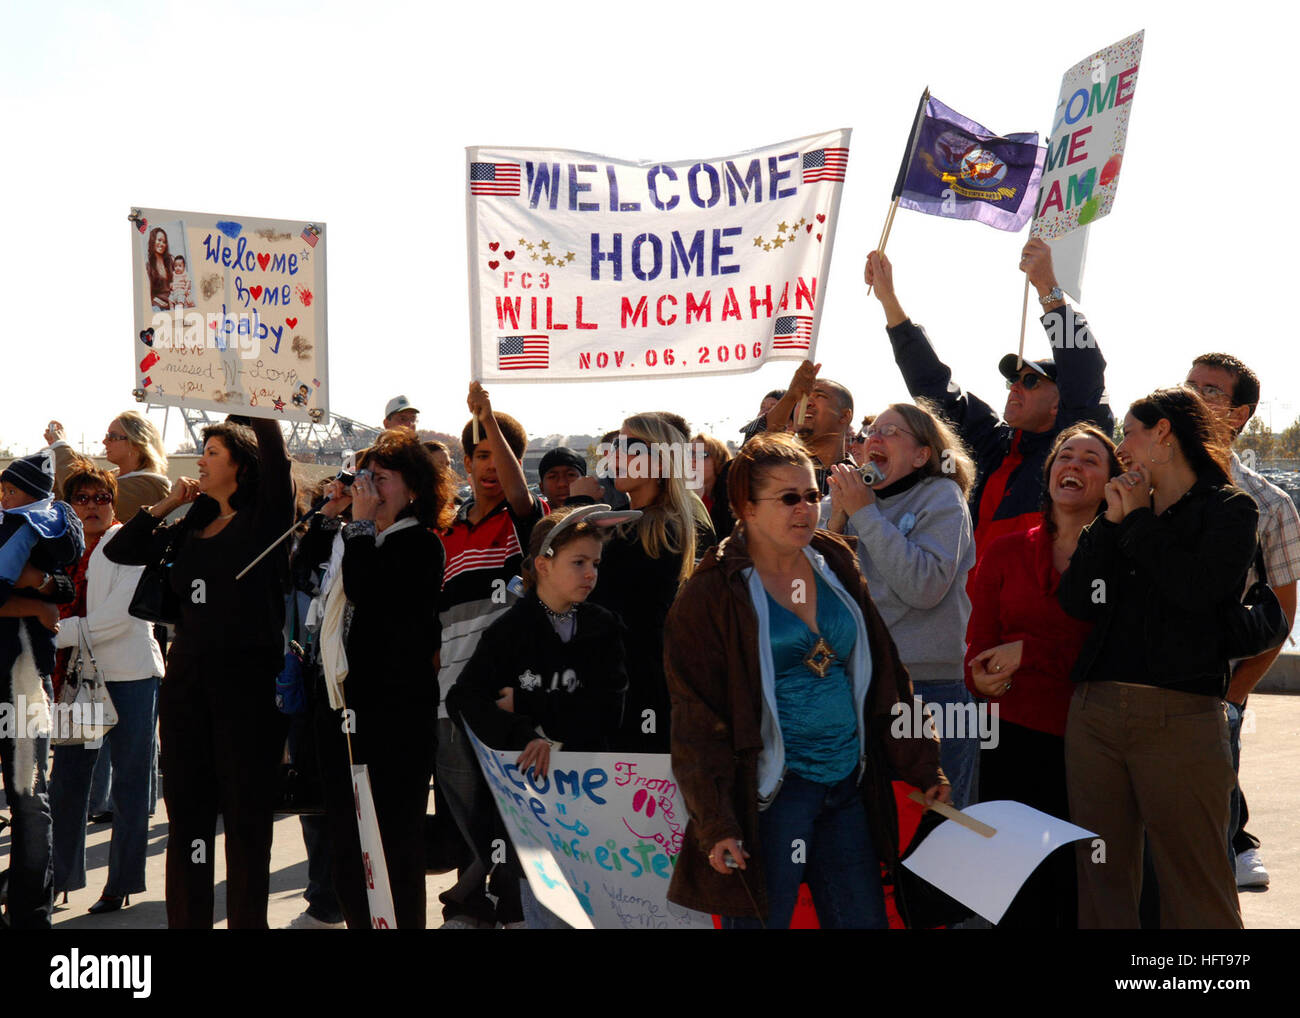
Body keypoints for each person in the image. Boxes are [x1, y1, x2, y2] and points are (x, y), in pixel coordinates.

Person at [664, 433, 948, 929]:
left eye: (813, 495)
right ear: (746, 508)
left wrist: (923, 764)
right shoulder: (709, 593)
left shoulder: (836, 559)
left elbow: (885, 675)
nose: (807, 508)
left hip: (847, 786)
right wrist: (717, 823)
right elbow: (697, 719)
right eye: (789, 498)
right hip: (770, 796)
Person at [1058, 387, 1256, 929]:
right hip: (1095, 715)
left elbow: (1195, 592)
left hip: (1182, 718)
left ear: (1163, 434)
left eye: (1130, 432)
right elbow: (1077, 600)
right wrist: (1112, 525)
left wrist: (1140, 523)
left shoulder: (1230, 509)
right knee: (1101, 878)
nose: (1122, 447)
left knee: (1196, 882)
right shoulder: (1121, 507)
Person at [104, 416, 293, 928]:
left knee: (246, 819)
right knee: (188, 813)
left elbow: (277, 464)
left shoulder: (265, 517)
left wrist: (258, 401)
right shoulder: (192, 519)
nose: (201, 459)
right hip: (187, 681)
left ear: (240, 464)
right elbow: (121, 549)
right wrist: (169, 503)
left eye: (212, 451)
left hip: (248, 684)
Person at [865, 240, 1113, 563]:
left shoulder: (1071, 451)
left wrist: (1048, 289)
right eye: (1013, 380)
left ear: (1059, 403)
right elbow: (934, 388)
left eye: (1030, 380)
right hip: (969, 612)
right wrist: (889, 302)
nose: (1015, 388)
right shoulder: (992, 443)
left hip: (1033, 611)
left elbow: (1084, 370)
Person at [964, 423, 1121, 927]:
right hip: (1010, 740)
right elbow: (978, 646)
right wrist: (979, 677)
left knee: (1077, 883)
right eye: (1064, 456)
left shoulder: (1124, 557)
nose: (1073, 465)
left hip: (1093, 742)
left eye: (1090, 459)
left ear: (1111, 481)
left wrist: (1028, 652)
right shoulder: (1005, 550)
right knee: (1015, 885)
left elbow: (1110, 651)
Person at [447, 505, 631, 928]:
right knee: (543, 906)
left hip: (590, 791)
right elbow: (463, 698)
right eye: (578, 562)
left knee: (592, 907)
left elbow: (611, 707)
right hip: (531, 802)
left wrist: (531, 707)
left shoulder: (604, 628)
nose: (591, 573)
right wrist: (521, 734)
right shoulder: (508, 631)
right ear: (543, 566)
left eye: (596, 563)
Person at [304, 430, 452, 929]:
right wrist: (331, 515)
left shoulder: (421, 545)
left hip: (395, 716)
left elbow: (371, 594)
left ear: (413, 490)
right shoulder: (352, 538)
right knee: (346, 840)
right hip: (340, 708)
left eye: (381, 479)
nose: (368, 487)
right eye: (363, 476)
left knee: (392, 839)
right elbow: (302, 573)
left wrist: (361, 526)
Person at [824, 401, 979, 808]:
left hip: (929, 692)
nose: (874, 437)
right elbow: (809, 587)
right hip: (854, 686)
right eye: (871, 429)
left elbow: (924, 587)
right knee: (866, 835)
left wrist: (866, 516)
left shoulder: (942, 497)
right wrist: (837, 521)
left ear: (922, 455)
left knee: (936, 837)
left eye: (891, 432)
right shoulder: (846, 498)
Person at [1185, 354, 1300, 889]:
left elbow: (1280, 615)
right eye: (1189, 385)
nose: (1193, 396)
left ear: (1239, 415)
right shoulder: (1136, 480)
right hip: (1130, 689)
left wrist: (1234, 697)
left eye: (1210, 391)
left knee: (1206, 845)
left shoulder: (1272, 506)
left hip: (1214, 694)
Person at [435, 381, 543, 929]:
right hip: (449, 692)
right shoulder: (446, 531)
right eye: (480, 454)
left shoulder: (527, 519)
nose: (490, 466)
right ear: (466, 461)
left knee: (509, 805)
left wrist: (486, 417)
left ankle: (496, 904)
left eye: (501, 454)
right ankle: (480, 898)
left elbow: (523, 501)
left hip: (503, 688)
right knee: (467, 805)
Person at [49, 462, 163, 916]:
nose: (93, 506)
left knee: (131, 785)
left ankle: (121, 883)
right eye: (83, 498)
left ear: (114, 504)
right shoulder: (61, 548)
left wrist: (56, 631)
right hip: (79, 680)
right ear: (69, 505)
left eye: (102, 498)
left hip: (130, 675)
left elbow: (123, 615)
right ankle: (56, 877)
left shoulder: (126, 541)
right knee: (68, 781)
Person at [588, 412, 713, 752]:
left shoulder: (658, 529)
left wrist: (578, 510)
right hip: (626, 682)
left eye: (628, 447)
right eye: (613, 446)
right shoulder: (633, 523)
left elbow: (598, 603)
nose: (614, 455)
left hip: (639, 685)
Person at [0, 451, 81, 929]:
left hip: (26, 679)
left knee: (29, 798)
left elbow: (66, 589)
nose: (6, 495)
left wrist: (38, 583)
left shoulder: (43, 524)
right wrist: (31, 606)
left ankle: (30, 915)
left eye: (13, 489)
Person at [48, 412, 170, 520]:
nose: (105, 441)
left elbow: (79, 490)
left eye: (112, 436)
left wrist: (60, 446)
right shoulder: (116, 477)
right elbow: (64, 500)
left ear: (136, 444)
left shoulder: (148, 487)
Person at [688, 433, 730, 515]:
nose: (693, 459)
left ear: (719, 461)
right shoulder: (676, 498)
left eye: (702, 455)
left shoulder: (729, 504)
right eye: (690, 453)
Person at [145, 227, 172, 311]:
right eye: (159, 240)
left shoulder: (170, 261)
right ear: (153, 241)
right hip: (157, 306)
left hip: (173, 302)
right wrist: (156, 301)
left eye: (164, 242)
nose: (162, 244)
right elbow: (148, 293)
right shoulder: (148, 266)